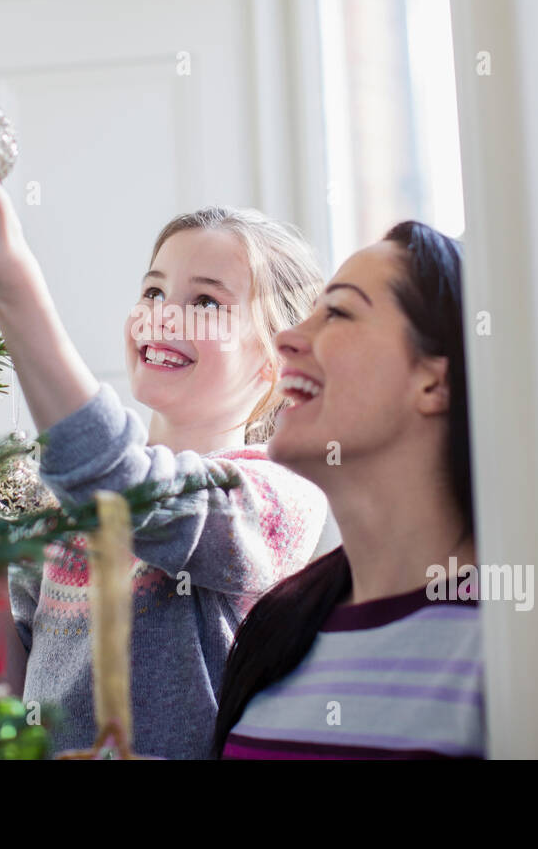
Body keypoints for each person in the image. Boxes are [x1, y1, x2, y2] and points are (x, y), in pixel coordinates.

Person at [0, 154, 327, 758]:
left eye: (206, 302)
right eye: (153, 289)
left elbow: (129, 488)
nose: (161, 313)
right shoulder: (64, 503)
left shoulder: (276, 496)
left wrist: (12, 283)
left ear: (273, 363)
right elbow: (15, 687)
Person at [212, 221, 484, 759]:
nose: (287, 338)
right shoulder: (278, 629)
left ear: (436, 381)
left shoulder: (514, 644)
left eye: (337, 312)